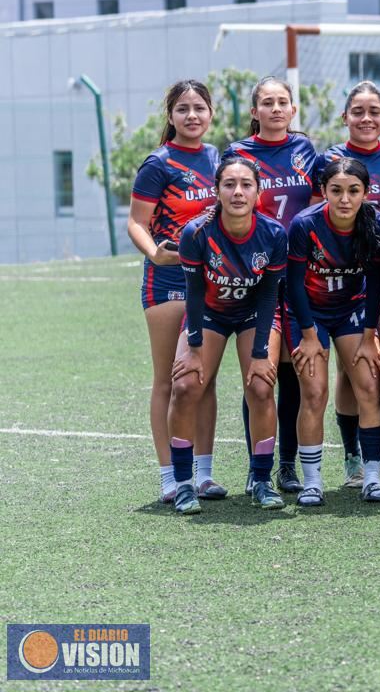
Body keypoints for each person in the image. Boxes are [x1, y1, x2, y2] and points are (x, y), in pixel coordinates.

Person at [168, 156, 288, 513]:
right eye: (229, 185)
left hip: (254, 315)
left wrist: (260, 351)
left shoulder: (273, 234)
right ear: (217, 190)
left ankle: (262, 480)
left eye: (246, 184)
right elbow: (192, 293)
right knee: (186, 385)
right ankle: (184, 483)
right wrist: (192, 347)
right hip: (209, 314)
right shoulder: (196, 233)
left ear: (258, 191)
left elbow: (269, 296)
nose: (238, 192)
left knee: (262, 386)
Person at [128, 80, 224, 504]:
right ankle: (170, 476)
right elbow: (135, 221)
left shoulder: (218, 158)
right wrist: (156, 254)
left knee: (203, 379)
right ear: (170, 116)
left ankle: (202, 474)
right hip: (167, 280)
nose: (192, 116)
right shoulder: (159, 163)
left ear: (211, 113)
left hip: (209, 281)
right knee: (169, 379)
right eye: (183, 109)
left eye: (199, 108)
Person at [225, 76, 319, 496]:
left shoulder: (304, 149)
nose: (276, 108)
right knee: (258, 375)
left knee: (292, 373)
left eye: (283, 102)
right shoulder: (238, 153)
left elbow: (319, 202)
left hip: (298, 271)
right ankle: (255, 466)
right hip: (256, 275)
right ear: (254, 110)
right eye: (267, 102)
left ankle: (286, 466)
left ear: (293, 110)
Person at [320, 80, 380, 489]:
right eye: (358, 111)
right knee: (350, 370)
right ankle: (354, 456)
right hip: (344, 279)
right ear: (345, 118)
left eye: (374, 111)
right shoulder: (331, 159)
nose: (367, 118)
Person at [284, 158, 380, 505]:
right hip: (310, 313)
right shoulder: (304, 225)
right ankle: (313, 482)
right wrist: (309, 334)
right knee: (313, 391)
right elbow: (294, 285)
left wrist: (371, 335)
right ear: (324, 191)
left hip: (353, 311)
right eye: (336, 190)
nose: (345, 199)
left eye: (353, 191)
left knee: (370, 387)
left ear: (365, 193)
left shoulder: (374, 224)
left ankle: (371, 476)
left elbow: (376, 286)